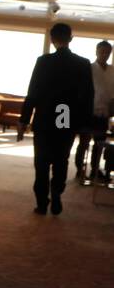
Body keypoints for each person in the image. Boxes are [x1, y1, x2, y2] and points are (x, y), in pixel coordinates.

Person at [19, 22, 94, 215]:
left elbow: (33, 91)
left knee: (42, 161)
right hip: (66, 116)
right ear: (71, 38)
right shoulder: (82, 63)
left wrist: (24, 119)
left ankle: (42, 203)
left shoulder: (43, 61)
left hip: (45, 117)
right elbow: (87, 96)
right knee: (61, 158)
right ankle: (57, 190)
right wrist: (86, 123)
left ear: (52, 39)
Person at [75, 39, 114, 183]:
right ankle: (80, 169)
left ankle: (95, 170)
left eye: (107, 52)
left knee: (99, 144)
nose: (104, 54)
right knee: (84, 143)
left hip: (104, 113)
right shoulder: (89, 68)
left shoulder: (112, 70)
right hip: (88, 112)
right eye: (102, 51)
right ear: (96, 52)